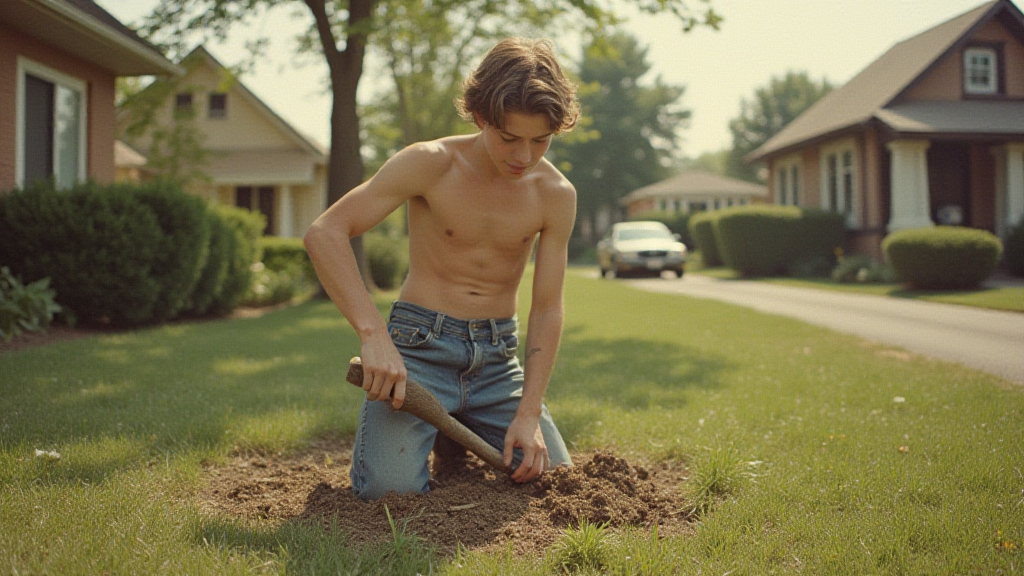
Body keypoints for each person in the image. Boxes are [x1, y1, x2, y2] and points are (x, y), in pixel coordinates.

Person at [303, 37, 580, 500]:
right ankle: (441, 428)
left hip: (496, 360)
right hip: (418, 352)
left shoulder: (556, 194)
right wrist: (375, 336)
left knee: (553, 482)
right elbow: (325, 233)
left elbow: (547, 308)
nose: (523, 157)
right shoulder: (429, 164)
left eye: (540, 141)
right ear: (479, 115)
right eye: (509, 137)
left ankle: (453, 432)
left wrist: (528, 412)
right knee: (389, 494)